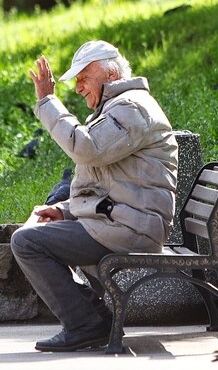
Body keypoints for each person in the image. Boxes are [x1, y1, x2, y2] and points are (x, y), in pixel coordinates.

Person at [10, 40, 178, 353]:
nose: (78, 88)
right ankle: (92, 320)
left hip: (131, 229)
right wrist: (64, 211)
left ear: (110, 73)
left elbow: (86, 148)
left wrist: (47, 101)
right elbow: (102, 184)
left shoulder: (131, 108)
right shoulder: (119, 107)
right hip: (125, 223)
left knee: (26, 242)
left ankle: (87, 324)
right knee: (32, 234)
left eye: (83, 78)